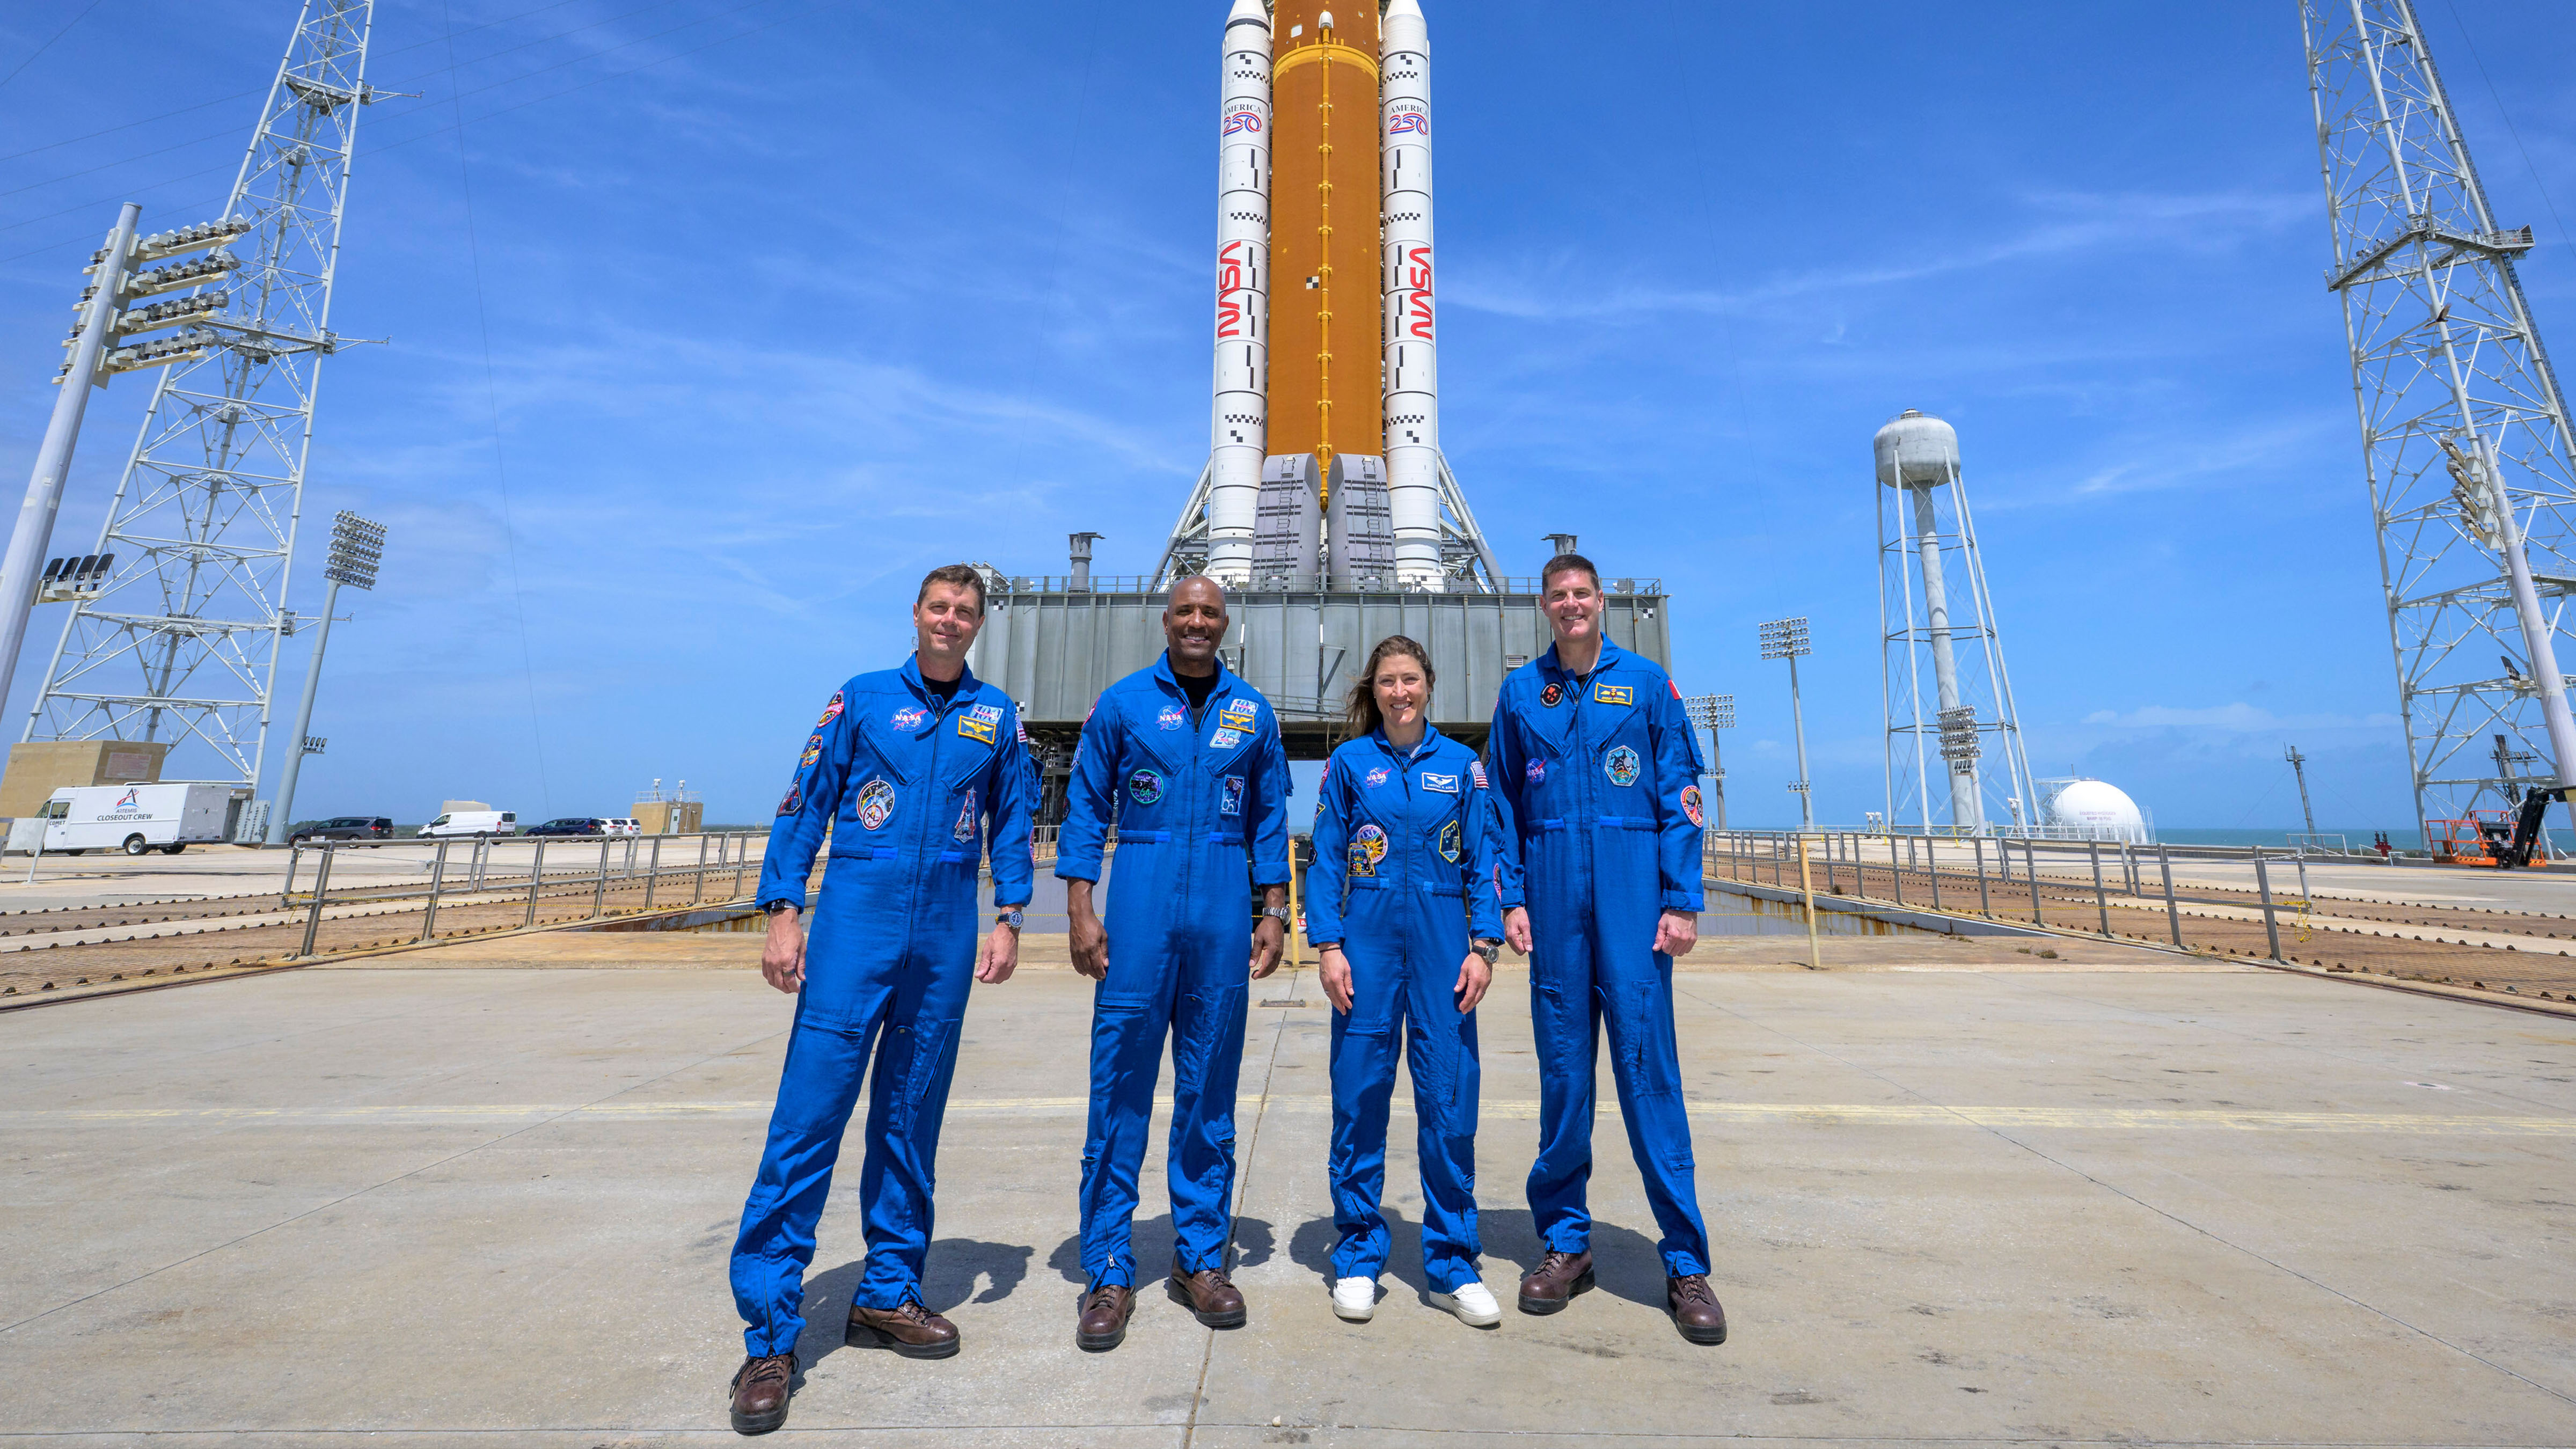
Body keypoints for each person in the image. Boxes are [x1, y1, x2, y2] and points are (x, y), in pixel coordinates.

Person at [725, 564, 1036, 1436]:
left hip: (942, 935)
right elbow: (804, 805)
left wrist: (1009, 915)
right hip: (853, 926)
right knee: (806, 1124)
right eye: (939, 607)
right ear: (917, 615)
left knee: (910, 1118)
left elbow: (1013, 821)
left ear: (979, 625)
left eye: (966, 612)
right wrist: (784, 912)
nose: (951, 620)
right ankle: (770, 1337)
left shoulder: (997, 718)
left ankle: (887, 1294)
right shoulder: (860, 700)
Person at [1486, 553, 1728, 1346]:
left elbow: (1681, 794)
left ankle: (1686, 1263)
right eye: (1557, 596)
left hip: (1632, 904)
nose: (1570, 606)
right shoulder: (1523, 694)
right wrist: (1510, 899)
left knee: (1649, 1078)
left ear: (1602, 600)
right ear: (1545, 608)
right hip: (1554, 906)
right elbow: (1501, 810)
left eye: (1582, 594)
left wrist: (1682, 899)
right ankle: (1565, 1245)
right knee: (1564, 1079)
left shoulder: (1648, 686)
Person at [1056, 576, 1292, 1351]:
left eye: (1210, 613)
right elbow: (1087, 807)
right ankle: (1109, 1270)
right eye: (1186, 611)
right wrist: (1081, 907)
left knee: (1208, 1093)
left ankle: (1199, 1259)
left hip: (1222, 909)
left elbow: (1267, 817)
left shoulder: (1251, 712)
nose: (1197, 622)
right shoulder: (1122, 705)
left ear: (1226, 625)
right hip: (1142, 906)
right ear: (1167, 621)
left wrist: (1273, 910)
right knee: (1119, 1088)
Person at [1304, 635, 1509, 1328]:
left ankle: (1453, 1262)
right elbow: (1326, 858)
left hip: (1444, 945)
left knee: (1449, 1100)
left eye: (1411, 680)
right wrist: (1327, 946)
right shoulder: (1349, 765)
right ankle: (1359, 1254)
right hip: (1364, 944)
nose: (1401, 693)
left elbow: (1484, 862)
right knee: (1359, 1095)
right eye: (1389, 681)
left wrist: (1484, 948)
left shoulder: (1463, 768)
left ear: (1429, 686)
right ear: (1375, 688)